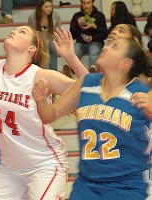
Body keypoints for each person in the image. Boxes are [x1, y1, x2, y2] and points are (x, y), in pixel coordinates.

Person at [0, 25, 88, 199]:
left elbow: (91, 90)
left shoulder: (41, 76)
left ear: (32, 48)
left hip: (44, 166)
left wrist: (70, 57)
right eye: (14, 30)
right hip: (9, 168)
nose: (14, 31)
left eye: (22, 31)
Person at [32, 37, 152, 199]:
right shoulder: (86, 83)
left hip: (128, 185)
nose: (106, 47)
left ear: (125, 63)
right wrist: (40, 101)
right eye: (108, 43)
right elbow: (49, 115)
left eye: (114, 46)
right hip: (87, 184)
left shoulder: (143, 91)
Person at [70, 0, 108, 70]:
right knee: (75, 52)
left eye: (88, 3)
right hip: (80, 42)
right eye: (84, 3)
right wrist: (77, 24)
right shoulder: (77, 16)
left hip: (96, 42)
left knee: (94, 52)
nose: (86, 5)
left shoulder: (99, 15)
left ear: (92, 3)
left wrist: (95, 28)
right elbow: (72, 35)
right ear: (81, 3)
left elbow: (105, 34)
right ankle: (71, 69)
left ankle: (93, 70)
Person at [28, 0, 62, 70]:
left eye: (50, 6)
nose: (49, 9)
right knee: (39, 48)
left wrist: (51, 41)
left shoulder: (56, 17)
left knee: (52, 46)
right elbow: (31, 33)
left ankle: (53, 72)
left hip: (51, 41)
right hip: (38, 41)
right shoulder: (32, 17)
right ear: (40, 8)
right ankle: (37, 71)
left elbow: (58, 33)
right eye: (46, 7)